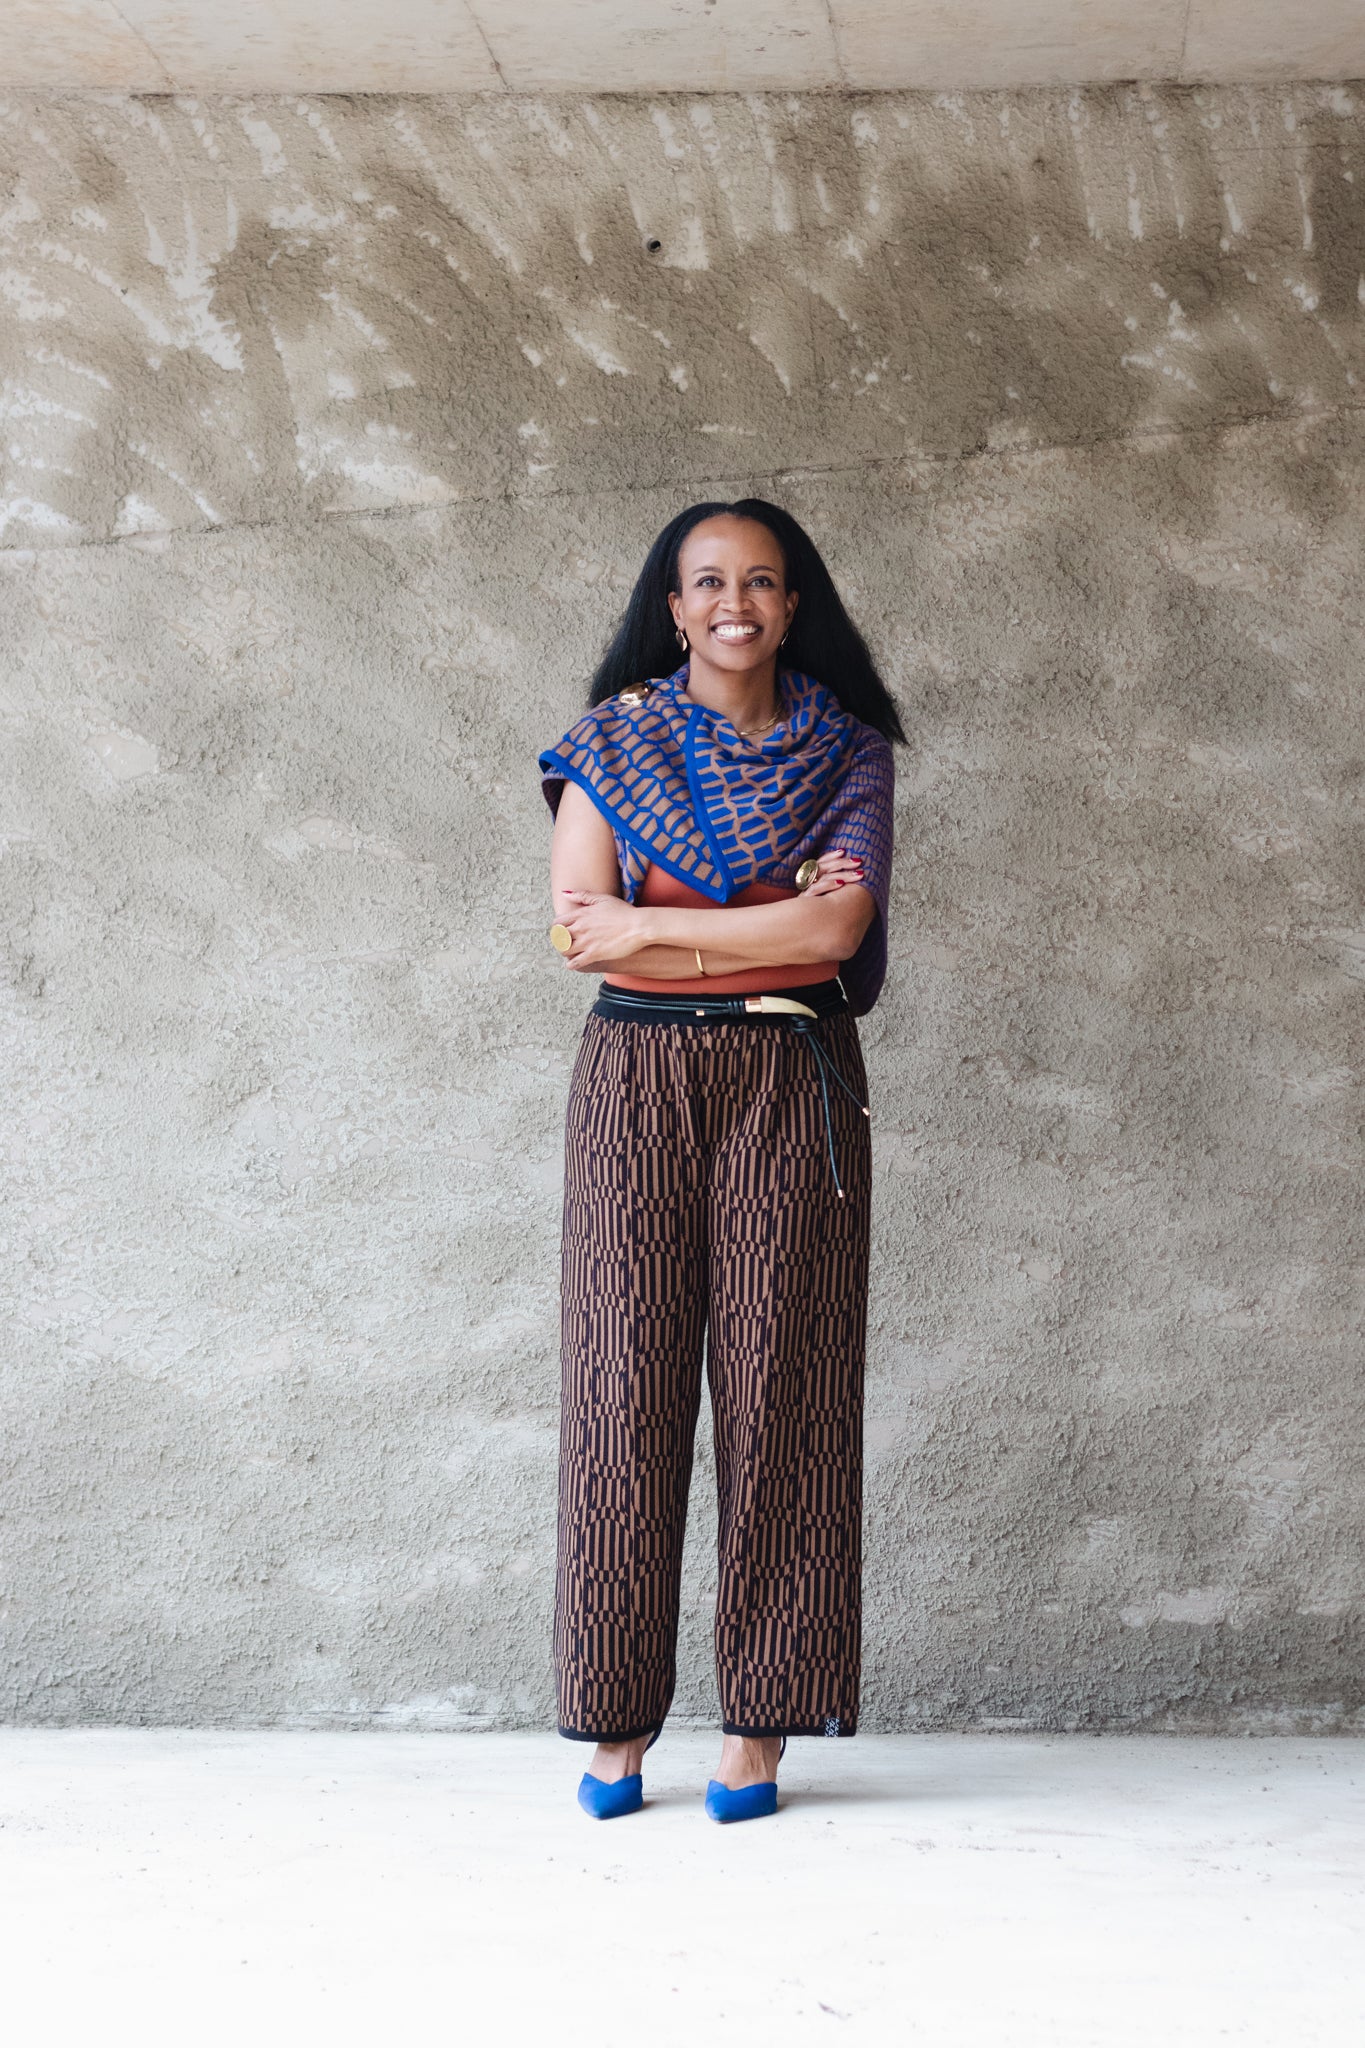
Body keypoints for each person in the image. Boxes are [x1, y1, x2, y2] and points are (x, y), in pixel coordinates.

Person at [538, 497, 904, 1823]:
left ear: (793, 602)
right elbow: (580, 935)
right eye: (707, 582)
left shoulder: (847, 752)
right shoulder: (612, 743)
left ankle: (758, 1729)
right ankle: (614, 1727)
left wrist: (661, 935)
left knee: (785, 1390)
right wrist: (754, 932)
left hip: (790, 1081)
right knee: (619, 1385)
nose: (734, 602)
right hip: (632, 1081)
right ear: (673, 605)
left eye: (761, 580)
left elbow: (839, 924)